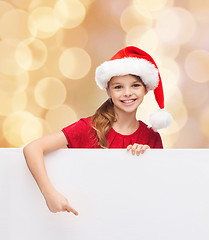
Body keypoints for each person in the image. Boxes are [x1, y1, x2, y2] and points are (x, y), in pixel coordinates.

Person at [23, 46, 172, 216]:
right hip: (89, 219)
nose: (127, 93)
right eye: (118, 87)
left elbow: (156, 189)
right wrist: (49, 194)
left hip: (132, 221)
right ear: (108, 90)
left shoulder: (151, 137)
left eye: (135, 85)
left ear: (146, 89)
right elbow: (32, 149)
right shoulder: (88, 128)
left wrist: (146, 159)